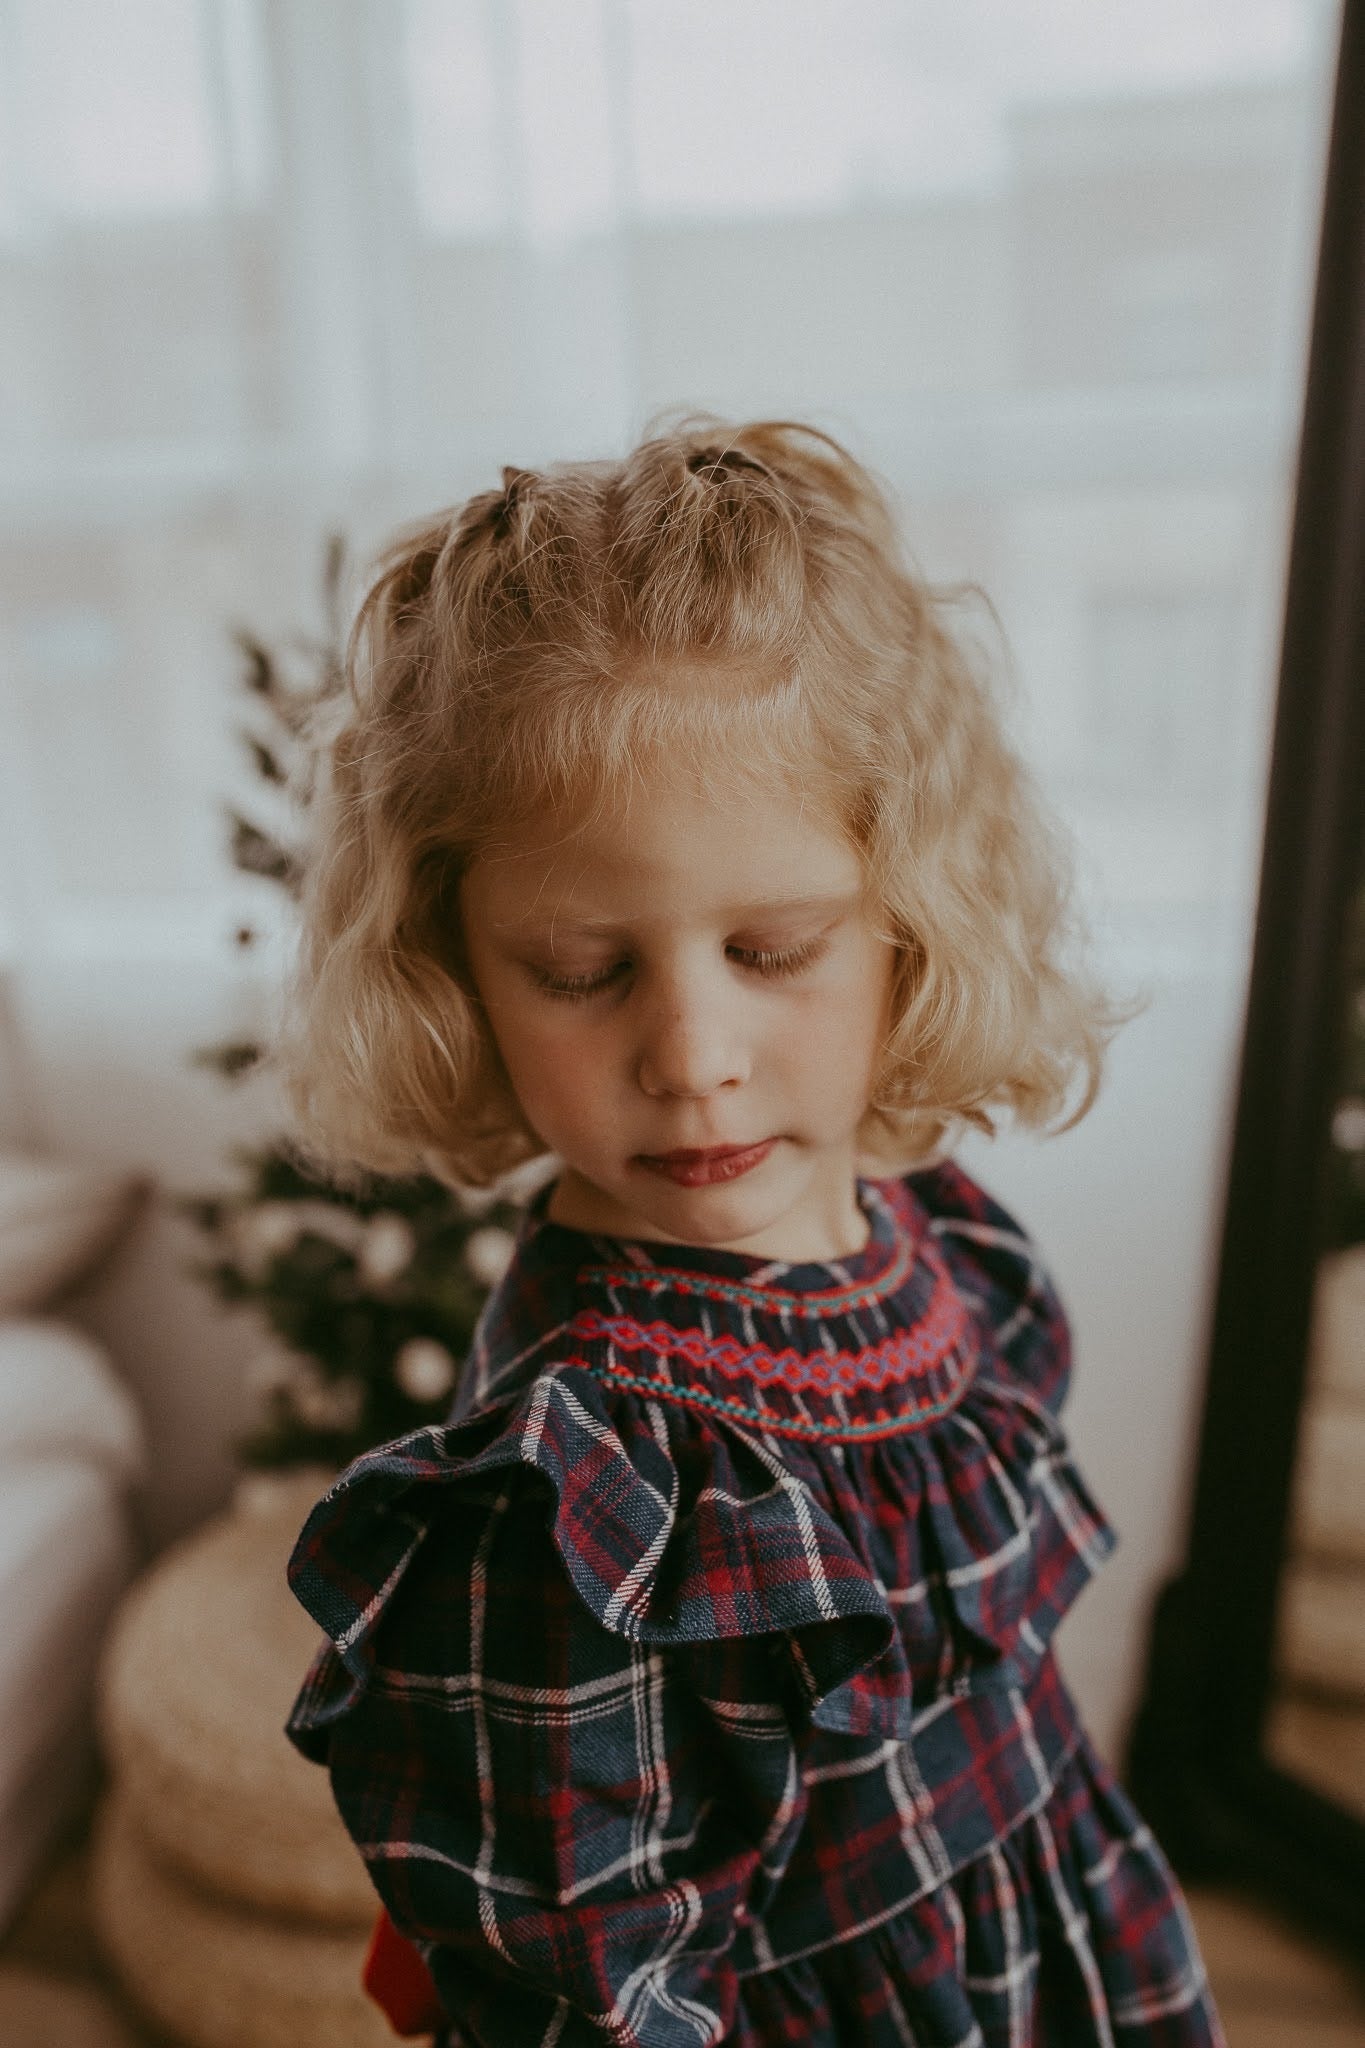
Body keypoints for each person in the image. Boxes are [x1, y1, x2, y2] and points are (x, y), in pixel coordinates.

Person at [281, 418, 1225, 2046]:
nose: (694, 1055)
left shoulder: (941, 1243)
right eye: (584, 970)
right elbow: (582, 1987)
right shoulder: (581, 1494)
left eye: (775, 948)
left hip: (1028, 1933)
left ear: (904, 919)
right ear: (455, 968)